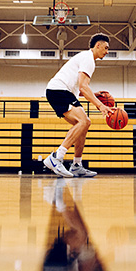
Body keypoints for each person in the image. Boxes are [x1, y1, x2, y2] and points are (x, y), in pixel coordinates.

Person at [42, 33, 114, 178]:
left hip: (61, 91)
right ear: (97, 45)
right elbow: (83, 87)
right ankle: (56, 157)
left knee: (83, 125)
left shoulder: (85, 58)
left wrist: (94, 94)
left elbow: (80, 89)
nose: (107, 52)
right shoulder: (89, 59)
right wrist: (101, 106)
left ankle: (76, 165)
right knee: (84, 121)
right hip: (59, 90)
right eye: (105, 48)